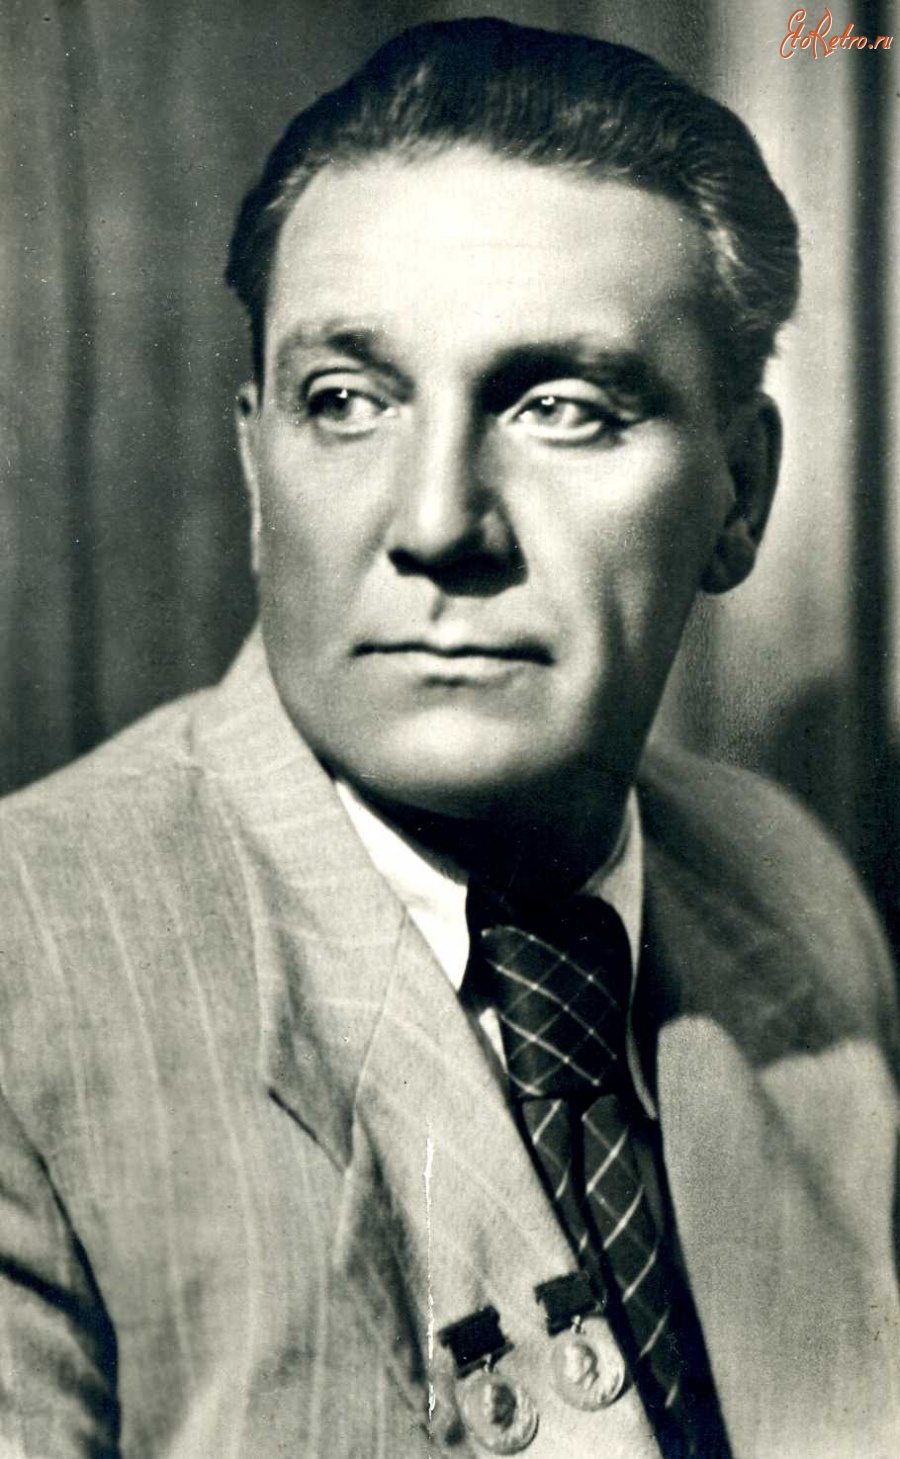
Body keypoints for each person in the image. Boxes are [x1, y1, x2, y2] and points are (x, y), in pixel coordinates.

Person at [0, 17, 897, 1459]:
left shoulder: (791, 892)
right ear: (255, 471)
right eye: (346, 403)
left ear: (740, 493)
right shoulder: (25, 978)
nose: (436, 524)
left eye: (563, 408)